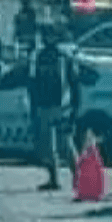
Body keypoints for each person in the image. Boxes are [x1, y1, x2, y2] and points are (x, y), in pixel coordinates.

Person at [26, 25, 83, 191]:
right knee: (48, 145)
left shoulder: (64, 57)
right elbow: (32, 84)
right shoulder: (38, 56)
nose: (46, 39)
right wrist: (33, 106)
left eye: (49, 35)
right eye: (45, 35)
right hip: (45, 107)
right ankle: (54, 178)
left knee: (65, 144)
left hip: (61, 106)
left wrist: (75, 107)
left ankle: (78, 178)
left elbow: (74, 84)